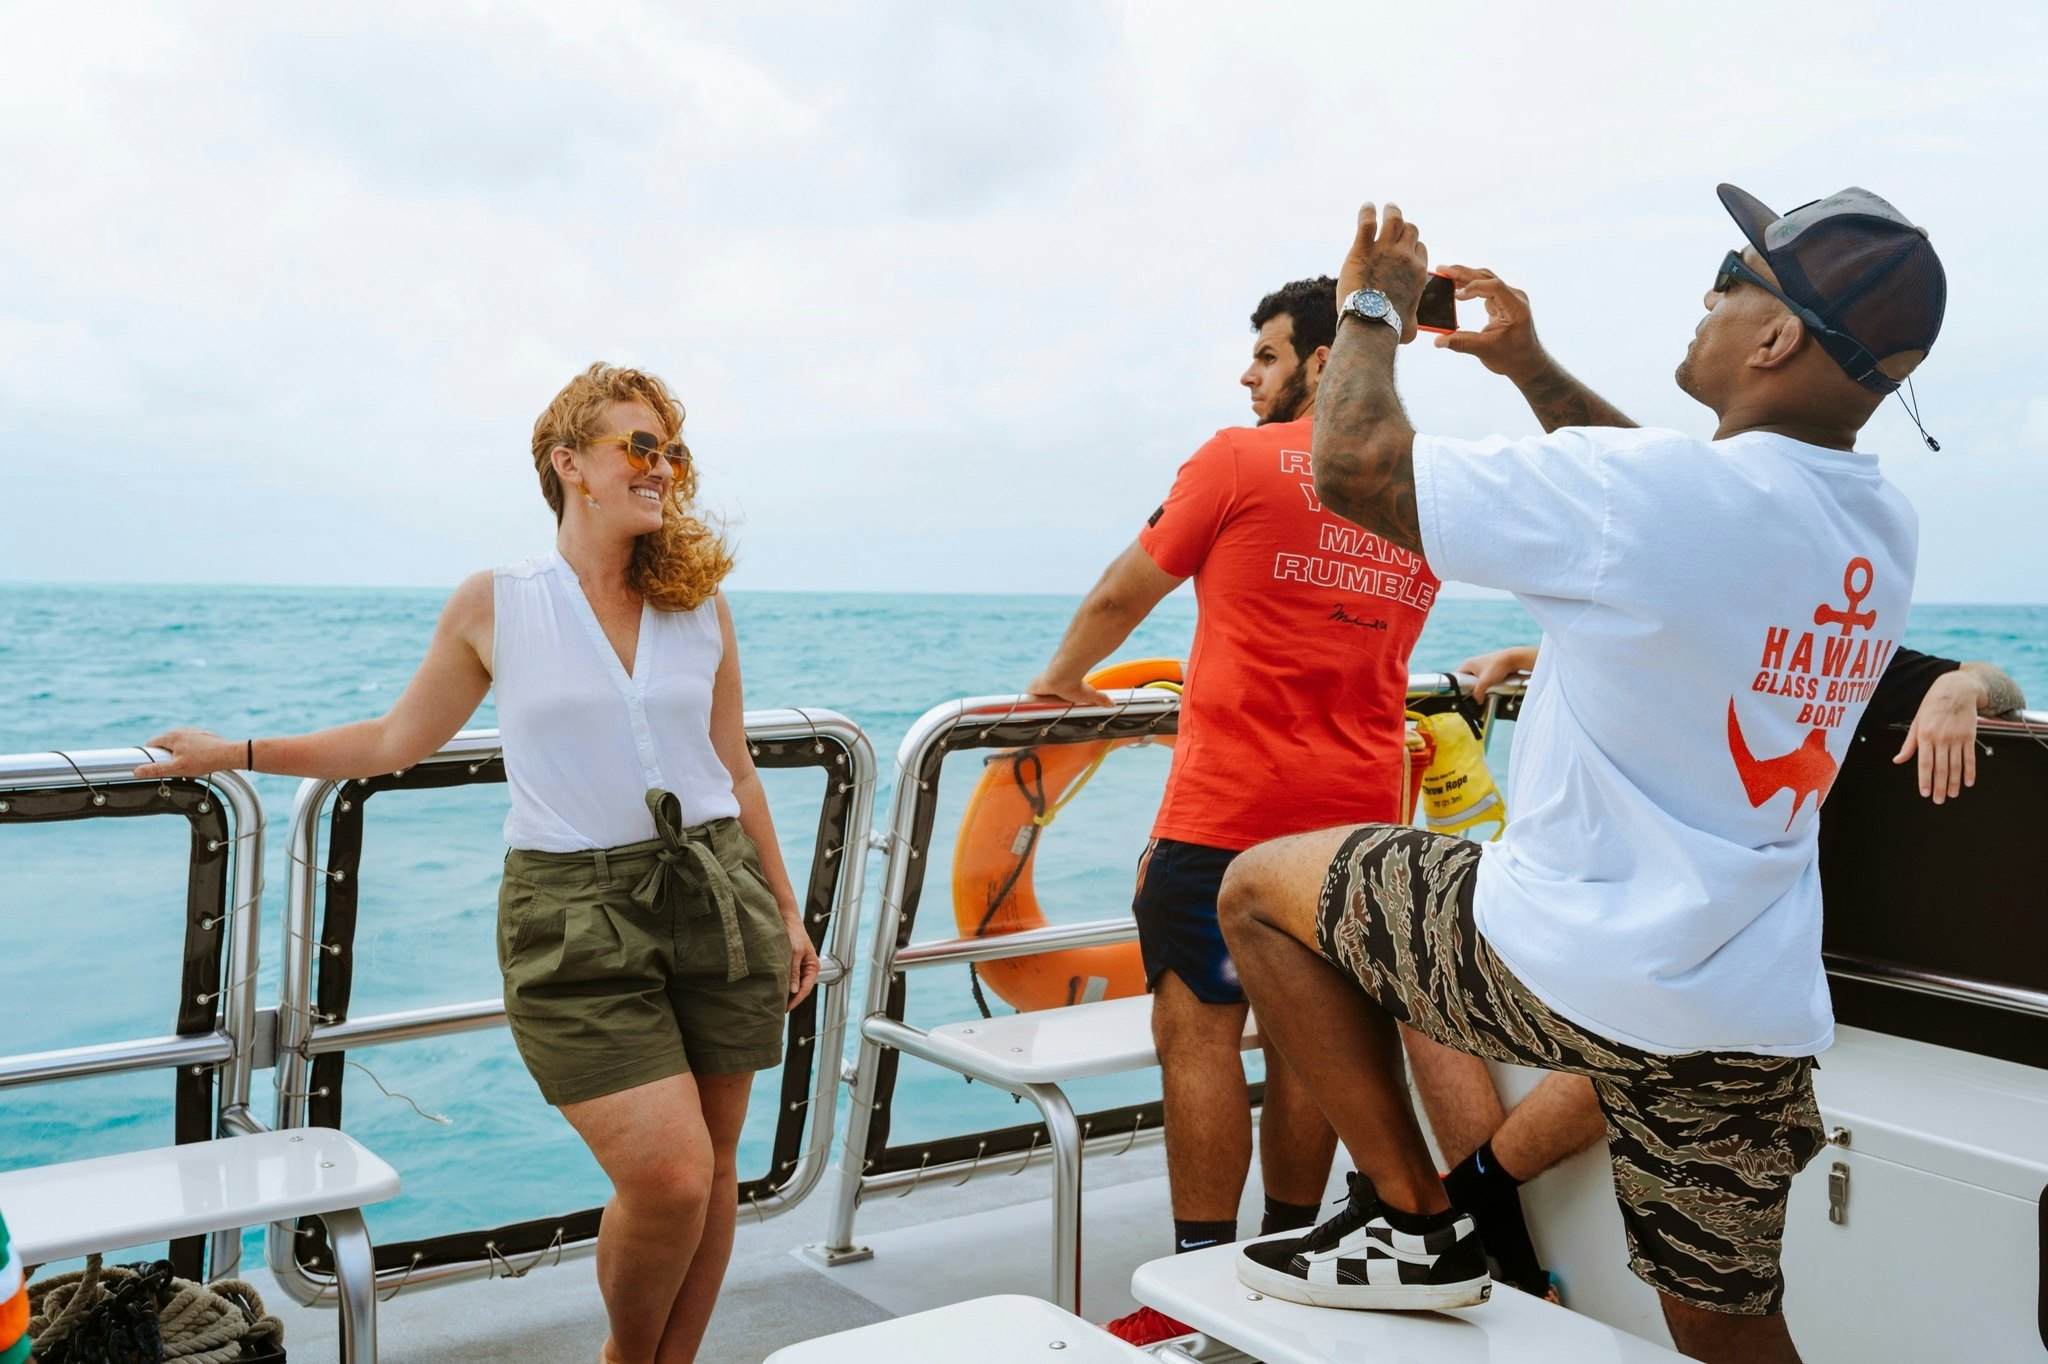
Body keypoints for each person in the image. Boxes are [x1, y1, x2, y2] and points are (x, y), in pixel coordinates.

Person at [1216, 184, 1946, 1364]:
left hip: (1554, 960)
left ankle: (1418, 1222)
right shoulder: (1872, 524)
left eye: (1731, 278)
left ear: (1773, 337)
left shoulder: (1661, 497)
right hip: (1739, 1010)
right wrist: (1527, 365)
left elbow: (1352, 467)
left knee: (1257, 889)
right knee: (1723, 1321)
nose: (1706, 299)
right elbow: (1664, 505)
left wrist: (1370, 305)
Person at [135, 364, 820, 1364]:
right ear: (568, 462)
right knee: (668, 1174)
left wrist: (791, 915)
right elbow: (390, 739)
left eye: (671, 450)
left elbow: (738, 770)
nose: (661, 466)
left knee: (715, 1164)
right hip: (573, 919)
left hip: (717, 893)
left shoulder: (699, 606)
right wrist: (235, 752)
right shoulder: (497, 602)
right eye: (638, 444)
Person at [1024, 276, 1442, 1346]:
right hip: (1357, 825)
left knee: (1197, 1037)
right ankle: (1290, 1255)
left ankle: (1197, 1282)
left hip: (1224, 817)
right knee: (1312, 1047)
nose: (1245, 375)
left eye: (1264, 354)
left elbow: (1128, 590)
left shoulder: (1236, 459)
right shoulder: (1417, 485)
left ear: (1319, 360)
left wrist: (1058, 680)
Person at [1405, 642, 2025, 1304]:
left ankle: (1466, 1213)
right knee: (1420, 985)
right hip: (1628, 912)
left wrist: (1961, 690)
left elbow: (2002, 685)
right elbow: (1637, 628)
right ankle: (1487, 1235)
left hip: (1747, 949)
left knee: (1654, 1037)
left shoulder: (1820, 657)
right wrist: (1532, 656)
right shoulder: (1698, 629)